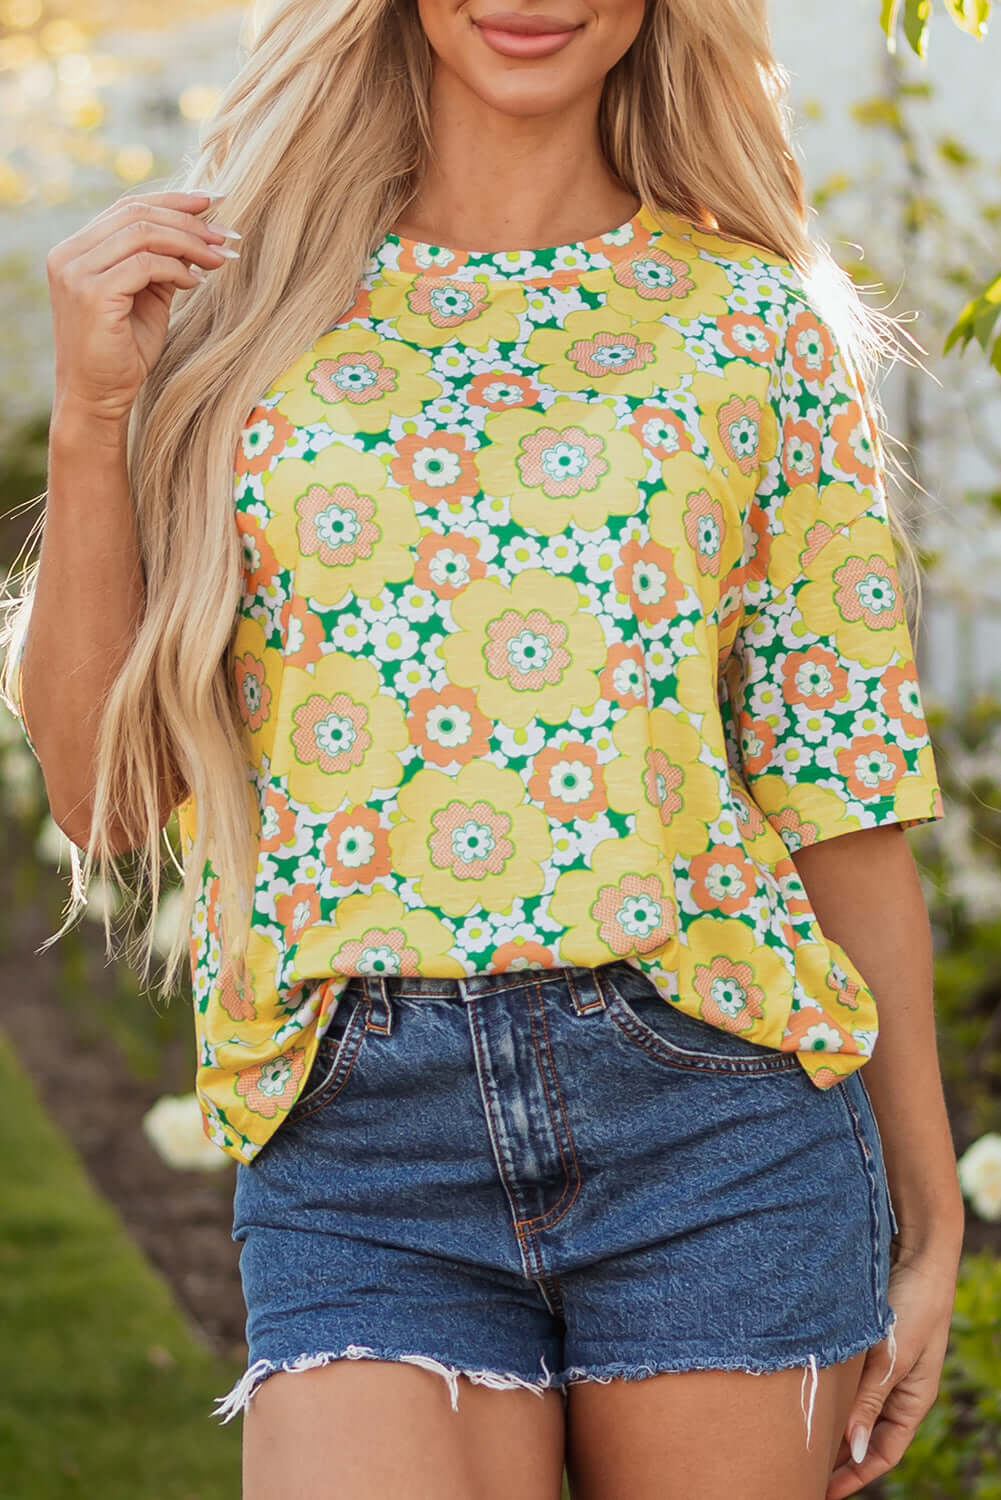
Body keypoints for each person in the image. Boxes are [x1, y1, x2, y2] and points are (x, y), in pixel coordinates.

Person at [0, 1, 964, 1497]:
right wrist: (94, 412)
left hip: (718, 1112)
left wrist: (932, 1210)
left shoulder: (755, 328)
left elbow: (841, 789)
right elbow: (103, 799)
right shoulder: (235, 318)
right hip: (358, 1136)